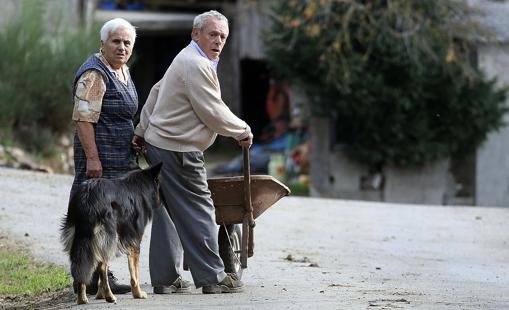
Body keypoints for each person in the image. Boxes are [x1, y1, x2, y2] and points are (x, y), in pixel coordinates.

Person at [132, 10, 253, 294]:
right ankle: (213, 277)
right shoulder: (195, 63)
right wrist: (242, 130)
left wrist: (141, 130)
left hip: (159, 145)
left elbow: (156, 91)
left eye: (223, 36)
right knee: (200, 208)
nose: (218, 40)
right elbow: (212, 111)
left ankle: (165, 279)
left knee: (167, 212)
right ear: (195, 34)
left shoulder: (186, 58)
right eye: (212, 34)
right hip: (178, 149)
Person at [70, 18, 138, 295]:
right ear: (103, 43)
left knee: (110, 218)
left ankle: (102, 274)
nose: (122, 47)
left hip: (120, 157)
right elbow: (84, 119)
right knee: (92, 219)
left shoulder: (122, 70)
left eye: (127, 42)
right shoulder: (95, 74)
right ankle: (85, 277)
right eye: (116, 41)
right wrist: (93, 160)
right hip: (101, 159)